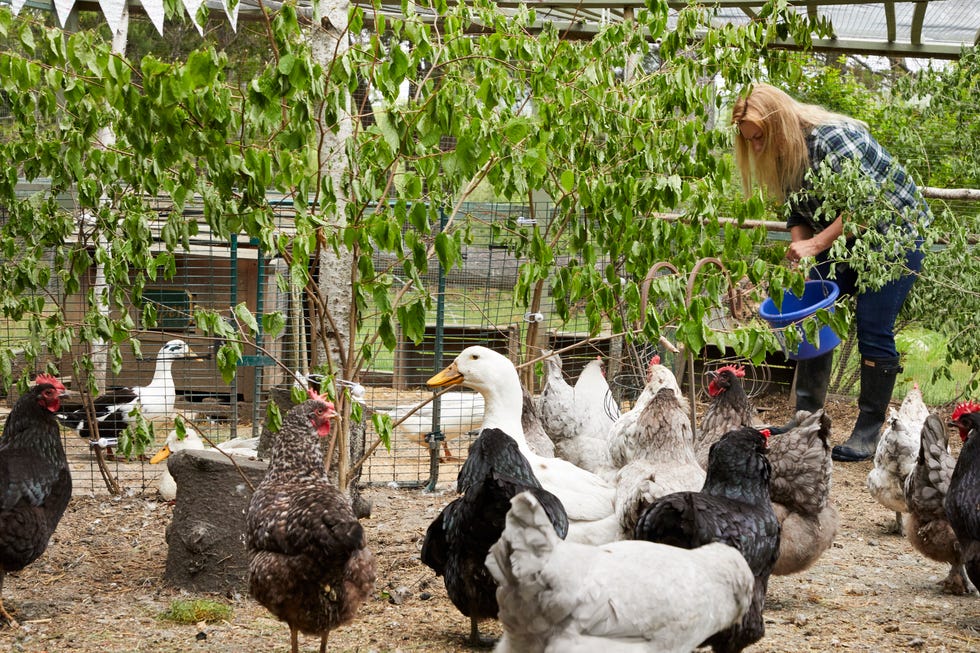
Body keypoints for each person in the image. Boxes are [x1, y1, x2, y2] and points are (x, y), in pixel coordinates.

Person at [731, 83, 931, 462]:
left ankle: (869, 431)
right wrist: (804, 256)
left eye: (759, 138)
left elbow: (868, 206)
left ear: (779, 124)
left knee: (873, 326)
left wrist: (816, 246)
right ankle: (807, 418)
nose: (756, 148)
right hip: (842, 239)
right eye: (749, 141)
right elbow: (797, 212)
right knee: (812, 314)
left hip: (895, 237)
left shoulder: (831, 138)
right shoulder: (786, 154)